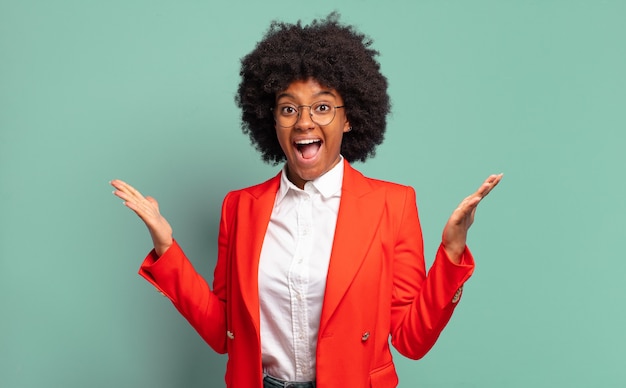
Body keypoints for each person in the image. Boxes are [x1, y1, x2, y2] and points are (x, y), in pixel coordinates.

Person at [111, 13, 502, 388]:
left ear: (349, 118)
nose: (303, 121)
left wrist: (451, 253)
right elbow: (224, 332)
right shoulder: (240, 208)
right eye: (288, 108)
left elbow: (411, 340)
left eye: (322, 106)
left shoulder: (393, 205)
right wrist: (167, 248)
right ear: (272, 120)